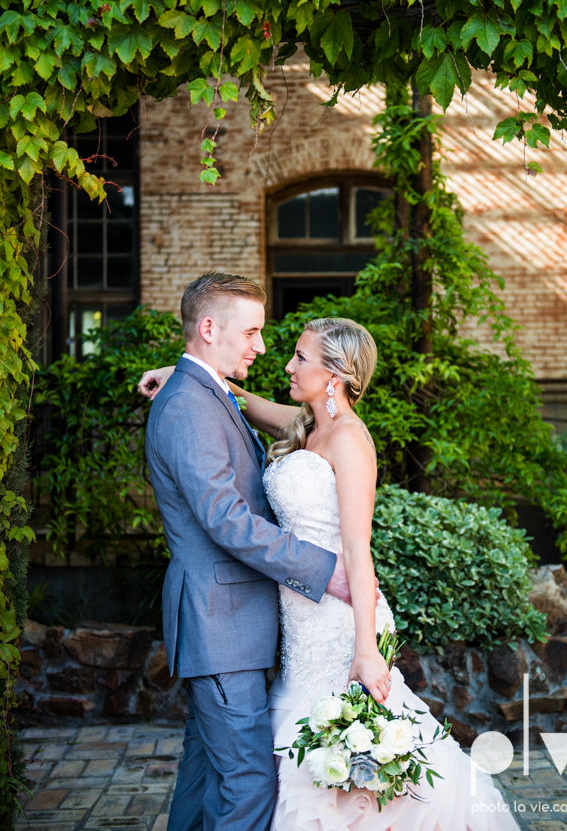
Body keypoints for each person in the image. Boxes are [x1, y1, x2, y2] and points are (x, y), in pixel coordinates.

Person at [141, 305, 519, 831]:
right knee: (287, 759)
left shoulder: (349, 440)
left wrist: (367, 650)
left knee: (348, 761)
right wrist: (182, 374)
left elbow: (358, 553)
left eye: (300, 356)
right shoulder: (307, 426)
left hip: (340, 619)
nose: (287, 364)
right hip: (300, 620)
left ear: (335, 376)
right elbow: (242, 403)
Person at [143, 272, 387, 831]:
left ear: (333, 374)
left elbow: (246, 404)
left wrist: (187, 375)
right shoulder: (188, 405)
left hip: (257, 623)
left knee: (208, 778)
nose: (265, 349)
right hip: (223, 623)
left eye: (297, 354)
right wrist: (325, 573)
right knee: (247, 784)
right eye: (252, 332)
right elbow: (226, 520)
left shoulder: (218, 400)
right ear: (210, 328)